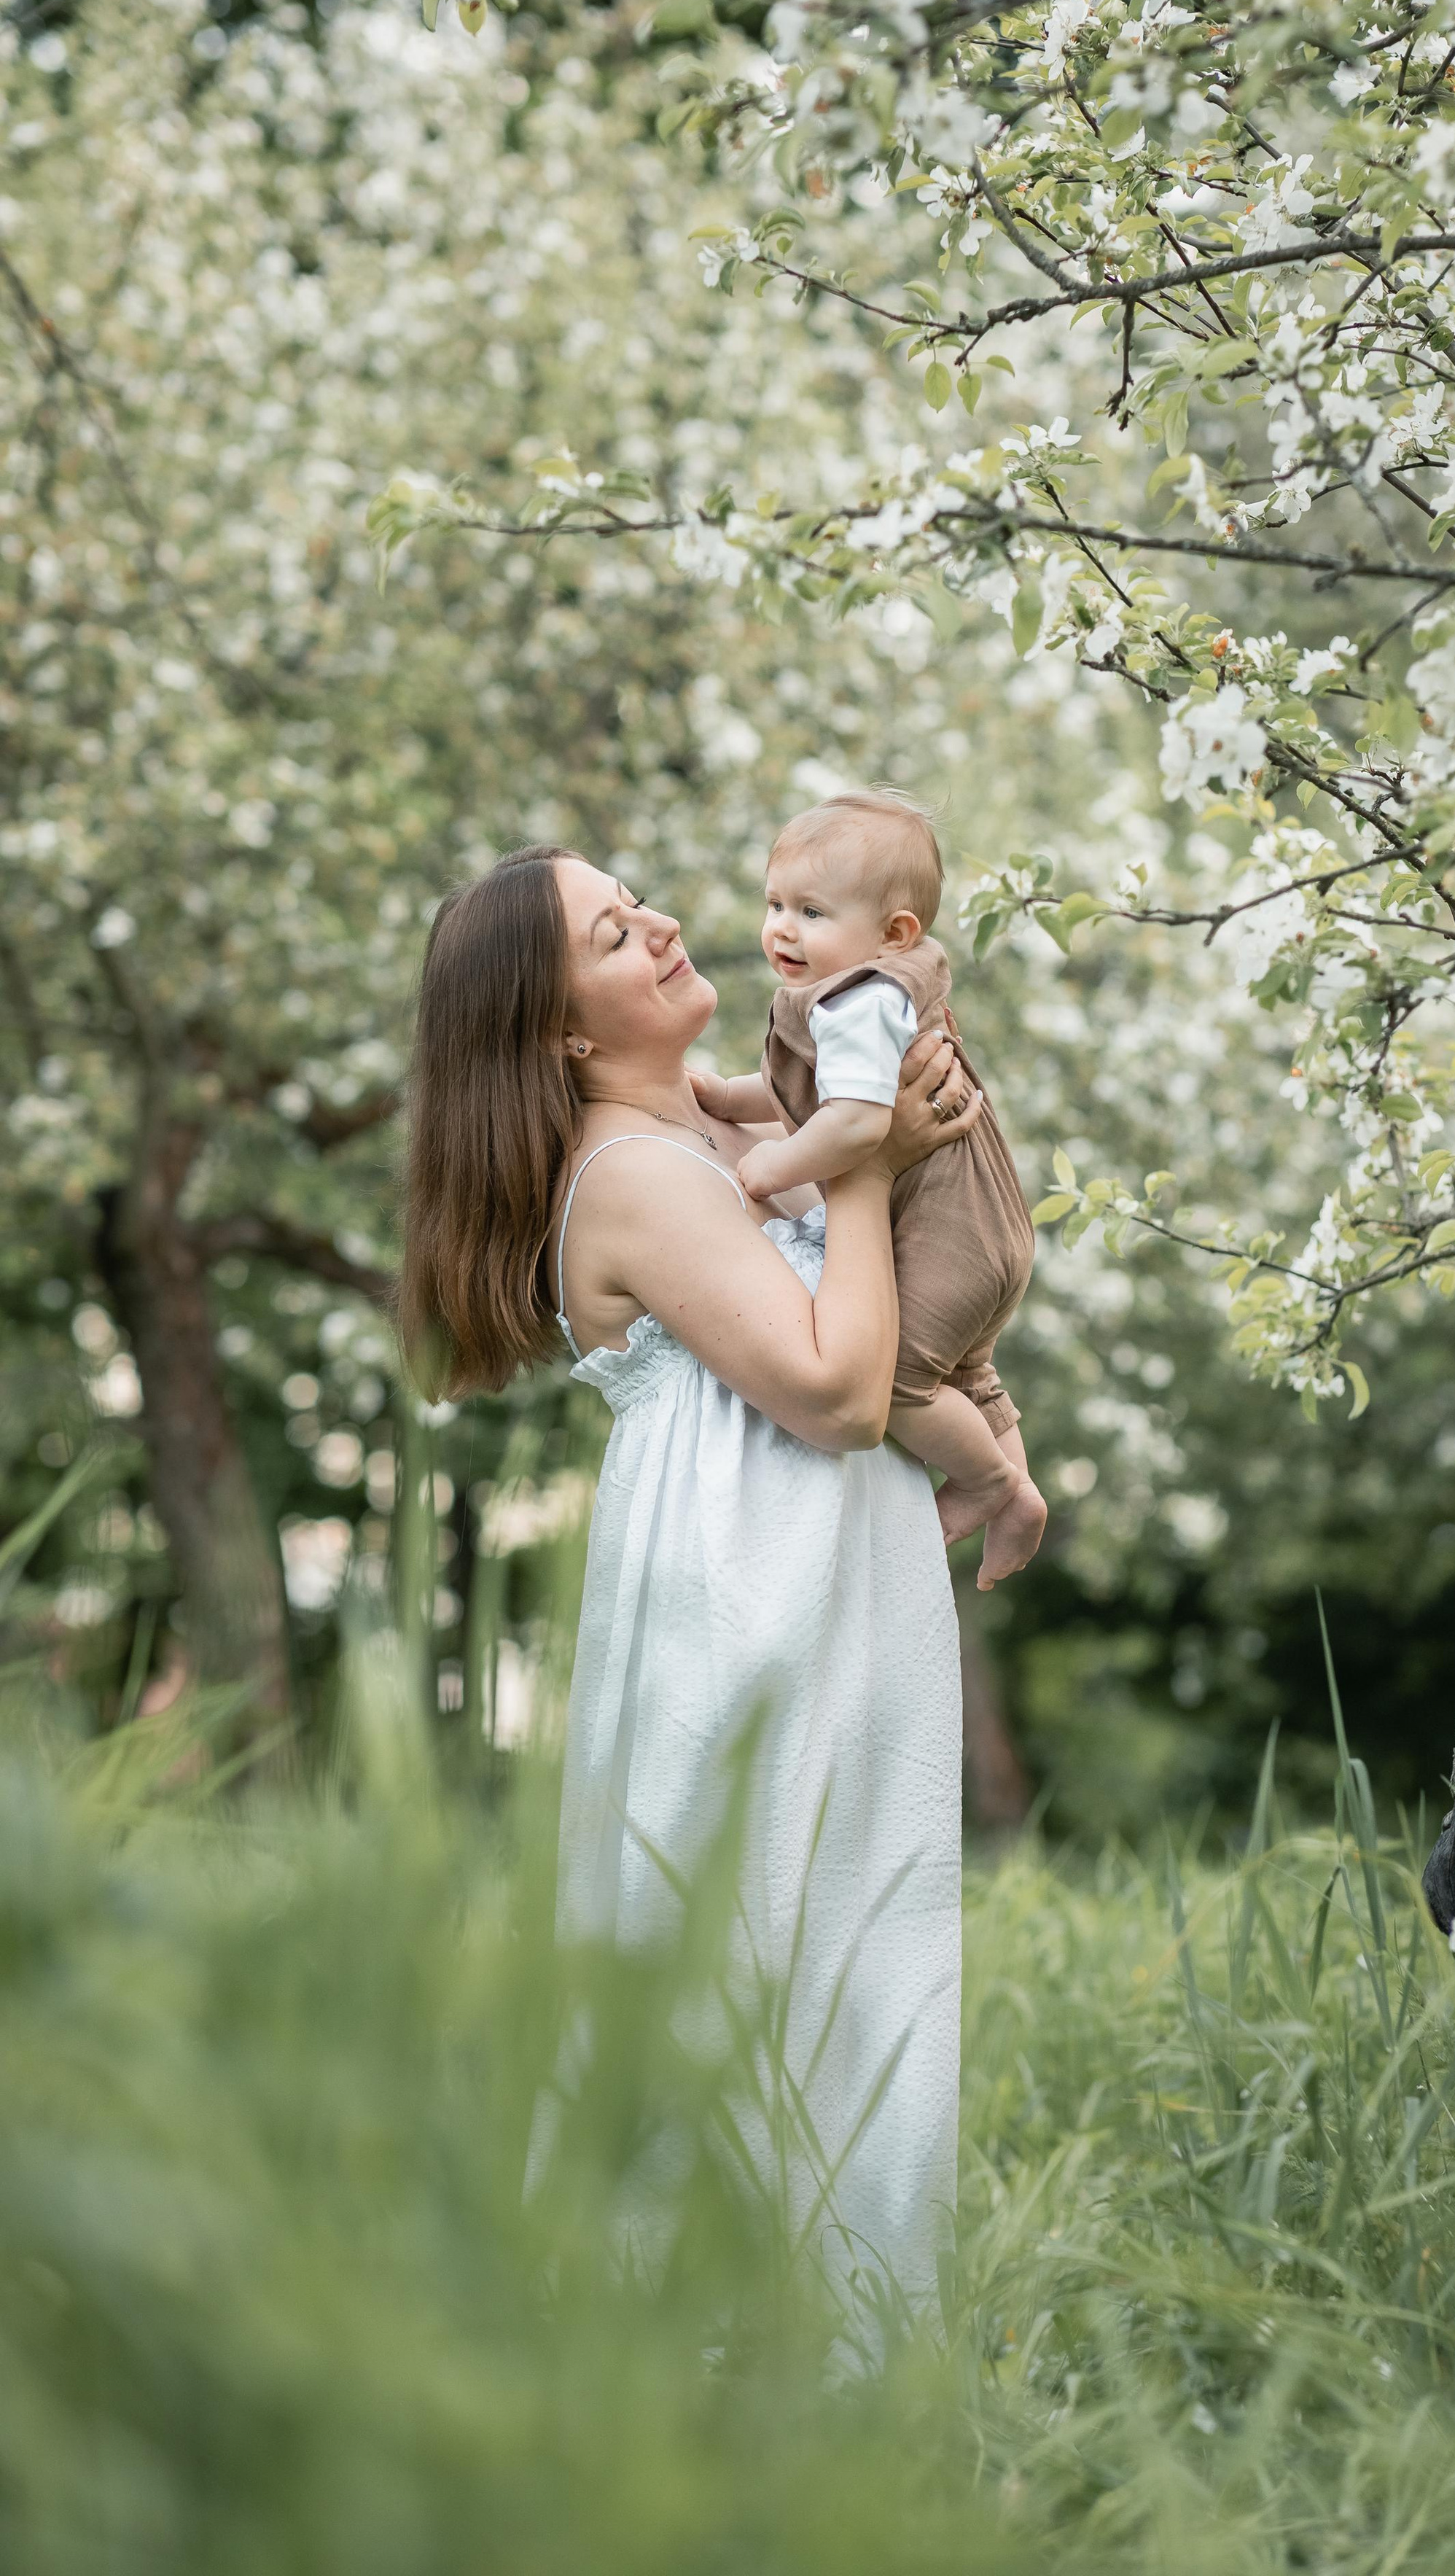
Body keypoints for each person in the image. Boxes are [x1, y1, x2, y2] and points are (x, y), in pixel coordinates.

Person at [399, 842, 982, 2332]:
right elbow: (837, 1392)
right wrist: (868, 1166)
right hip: (748, 1608)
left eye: (636, 900)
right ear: (562, 1033)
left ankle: (843, 2386)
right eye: (612, 932)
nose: (658, 924)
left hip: (818, 1588)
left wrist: (846, 1140)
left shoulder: (712, 1141)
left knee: (844, 1966)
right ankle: (709, 2383)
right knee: (748, 1968)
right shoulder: (635, 1179)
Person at [690, 790, 1047, 1592]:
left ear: (895, 934)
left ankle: (989, 1482)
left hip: (948, 1227)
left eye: (812, 911)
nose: (782, 928)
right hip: (982, 1226)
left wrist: (768, 1169)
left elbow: (851, 1126)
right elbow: (807, 1097)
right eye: (775, 903)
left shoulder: (857, 1001)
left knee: (897, 1379)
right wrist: (725, 1096)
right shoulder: (870, 995)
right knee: (967, 1372)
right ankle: (1020, 1496)